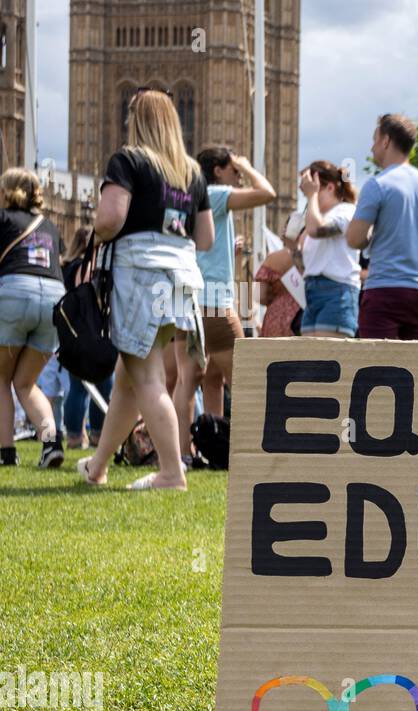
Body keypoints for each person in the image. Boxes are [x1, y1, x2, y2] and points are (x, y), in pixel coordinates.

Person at [77, 89, 213, 491]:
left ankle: (172, 473)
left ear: (138, 121)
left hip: (141, 276)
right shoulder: (191, 172)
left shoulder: (128, 160)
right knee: (128, 378)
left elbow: (109, 219)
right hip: (181, 281)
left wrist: (99, 226)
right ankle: (97, 467)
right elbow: (204, 238)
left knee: (148, 377)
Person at [172, 148, 275, 445]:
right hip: (214, 301)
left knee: (193, 381)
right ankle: (256, 448)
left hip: (184, 297)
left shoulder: (186, 197)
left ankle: (195, 450)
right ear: (217, 170)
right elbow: (266, 193)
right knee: (243, 380)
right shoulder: (215, 193)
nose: (238, 175)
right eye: (234, 169)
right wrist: (247, 163)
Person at [347, 113, 418, 340]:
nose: (372, 148)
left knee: (378, 370)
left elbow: (354, 239)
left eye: (374, 140)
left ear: (386, 141)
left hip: (384, 291)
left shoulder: (378, 184)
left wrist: (372, 233)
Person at [0, 167, 69, 468]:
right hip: (54, 299)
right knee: (26, 383)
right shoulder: (50, 227)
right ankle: (50, 443)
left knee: (1, 378)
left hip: (15, 293)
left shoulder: (3, 219)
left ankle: (6, 454)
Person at [59, 226, 114, 449]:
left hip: (75, 331)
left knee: (79, 387)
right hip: (96, 329)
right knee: (102, 383)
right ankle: (95, 435)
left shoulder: (66, 268)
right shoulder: (87, 268)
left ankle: (75, 436)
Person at [298, 161, 360, 338]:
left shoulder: (346, 211)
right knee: (310, 359)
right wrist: (293, 247)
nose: (308, 197)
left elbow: (317, 231)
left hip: (337, 291)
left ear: (330, 187)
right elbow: (304, 267)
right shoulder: (316, 217)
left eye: (312, 191)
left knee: (328, 359)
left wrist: (311, 197)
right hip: (312, 291)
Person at [254, 214, 306, 338]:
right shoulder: (315, 257)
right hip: (304, 318)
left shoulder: (273, 259)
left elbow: (259, 296)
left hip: (276, 317)